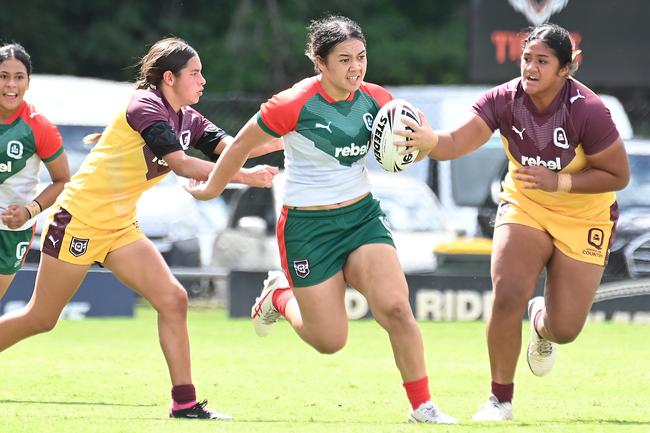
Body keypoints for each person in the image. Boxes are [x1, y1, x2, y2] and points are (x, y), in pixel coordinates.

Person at [186, 15, 457, 425]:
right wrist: (211, 188)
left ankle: (423, 407)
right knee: (330, 341)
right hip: (307, 229)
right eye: (344, 59)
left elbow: (416, 146)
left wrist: (417, 146)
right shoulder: (292, 103)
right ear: (320, 62)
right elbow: (241, 145)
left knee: (397, 309)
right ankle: (279, 295)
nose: (356, 68)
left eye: (361, 57)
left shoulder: (378, 100)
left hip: (361, 218)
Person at [0, 37, 279, 420]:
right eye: (194, 73)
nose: (203, 80)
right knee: (41, 318)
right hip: (78, 221)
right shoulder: (145, 106)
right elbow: (182, 165)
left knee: (173, 299)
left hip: (119, 228)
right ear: (169, 77)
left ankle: (184, 403)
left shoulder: (188, 118)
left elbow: (234, 146)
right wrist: (245, 176)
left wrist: (294, 132)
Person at [396, 23, 630, 421]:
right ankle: (499, 400)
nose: (531, 68)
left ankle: (541, 322)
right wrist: (429, 142)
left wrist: (560, 180)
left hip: (584, 214)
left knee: (566, 330)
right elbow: (456, 142)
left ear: (566, 69)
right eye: (527, 59)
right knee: (506, 294)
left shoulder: (588, 110)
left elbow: (618, 175)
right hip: (526, 206)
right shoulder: (503, 99)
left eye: (543, 61)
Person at [0, 43, 70, 299]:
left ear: (28, 82)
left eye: (18, 77)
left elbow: (62, 181)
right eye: (3, 76)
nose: (10, 85)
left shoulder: (39, 127)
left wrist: (30, 210)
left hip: (11, 232)